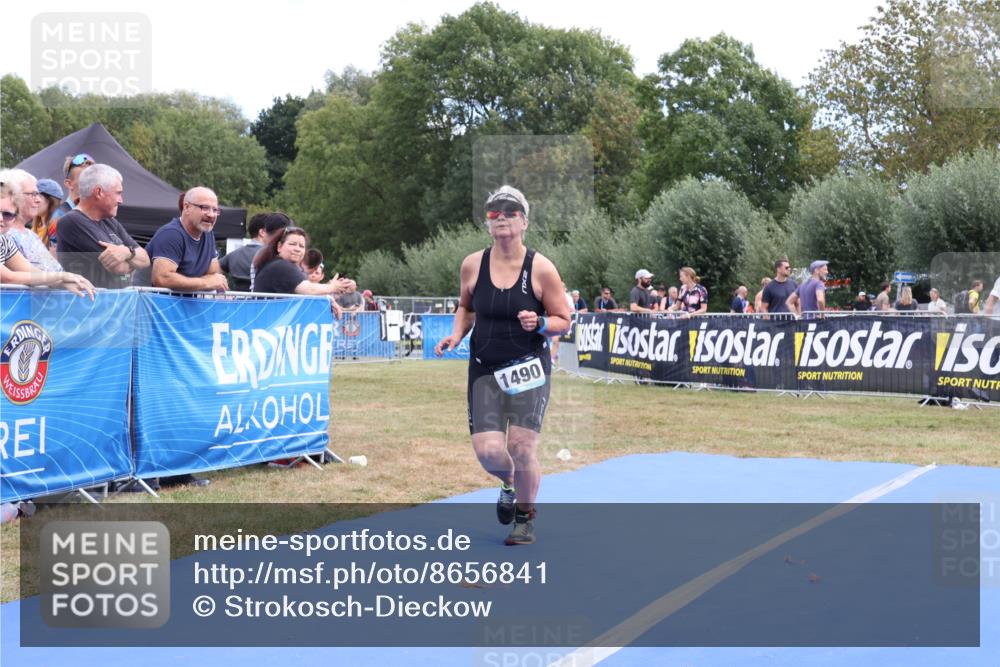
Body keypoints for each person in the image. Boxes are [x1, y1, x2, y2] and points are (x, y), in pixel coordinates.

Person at [434, 185, 570, 546]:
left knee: (523, 447)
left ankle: (525, 519)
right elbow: (466, 306)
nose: (501, 219)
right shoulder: (472, 263)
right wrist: (456, 334)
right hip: (484, 368)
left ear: (524, 221)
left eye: (510, 213)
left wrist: (539, 323)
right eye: (494, 213)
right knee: (490, 453)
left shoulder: (541, 268)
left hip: (528, 369)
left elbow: (564, 319)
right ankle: (509, 484)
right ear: (487, 223)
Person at [56, 164, 150, 288]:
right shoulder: (72, 221)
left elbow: (146, 260)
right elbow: (119, 268)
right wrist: (133, 258)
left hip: (113, 303)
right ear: (99, 192)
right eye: (118, 193)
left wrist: (126, 252)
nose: (121, 200)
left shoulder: (109, 221)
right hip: (88, 304)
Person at [0, 188, 94, 298]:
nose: (1, 218)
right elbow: (7, 278)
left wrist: (63, 282)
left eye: (8, 214)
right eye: (32, 194)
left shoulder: (5, 240)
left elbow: (34, 272)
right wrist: (61, 276)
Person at [145, 187, 229, 294]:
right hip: (154, 306)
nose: (211, 215)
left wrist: (210, 282)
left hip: (182, 307)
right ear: (187, 207)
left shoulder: (208, 234)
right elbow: (162, 278)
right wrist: (205, 283)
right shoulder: (171, 234)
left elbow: (213, 274)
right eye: (205, 208)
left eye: (215, 210)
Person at [252, 227, 354, 297]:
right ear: (279, 246)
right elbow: (309, 290)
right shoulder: (281, 266)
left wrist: (330, 298)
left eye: (301, 246)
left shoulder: (280, 264)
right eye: (292, 244)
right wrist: (333, 287)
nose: (297, 249)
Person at [0, 170, 62, 272]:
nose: (38, 200)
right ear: (14, 196)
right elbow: (11, 278)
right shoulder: (5, 235)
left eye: (38, 194)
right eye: (33, 194)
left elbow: (53, 269)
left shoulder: (30, 234)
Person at [48, 153, 95, 249]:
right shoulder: (59, 216)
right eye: (85, 178)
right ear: (69, 184)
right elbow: (55, 257)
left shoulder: (98, 215)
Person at [219, 212, 267, 291]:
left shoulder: (233, 254)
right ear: (262, 232)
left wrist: (225, 291)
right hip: (266, 302)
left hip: (238, 301)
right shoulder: (273, 256)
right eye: (273, 231)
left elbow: (212, 271)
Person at [33, 178, 64, 252]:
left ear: (51, 200)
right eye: (32, 196)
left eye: (38, 196)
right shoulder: (35, 227)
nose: (33, 201)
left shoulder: (58, 226)